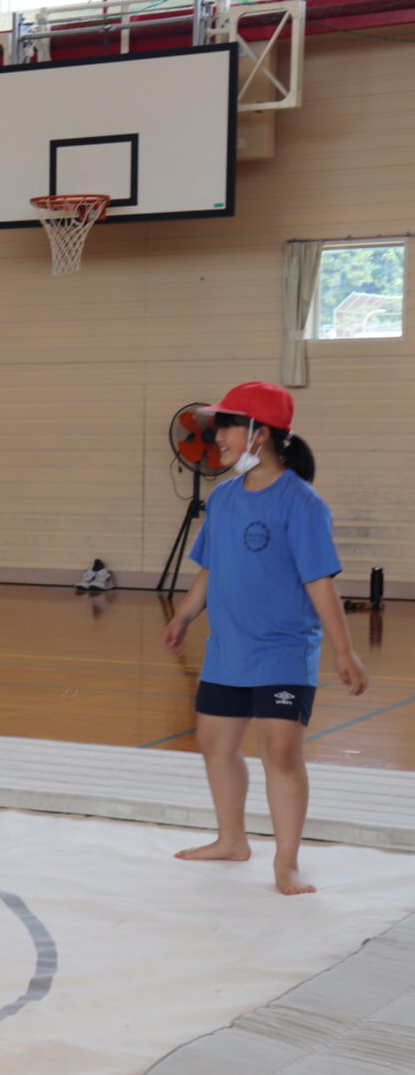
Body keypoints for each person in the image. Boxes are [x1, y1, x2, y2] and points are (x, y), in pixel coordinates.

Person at [163, 381, 368, 895]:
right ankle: (232, 840)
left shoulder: (301, 503)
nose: (218, 437)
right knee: (215, 746)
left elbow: (320, 580)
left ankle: (287, 862)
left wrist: (344, 650)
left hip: (282, 651)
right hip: (228, 651)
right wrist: (184, 615)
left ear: (261, 434)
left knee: (280, 754)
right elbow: (211, 566)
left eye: (228, 425)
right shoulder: (226, 497)